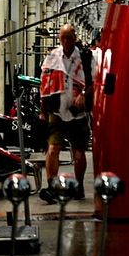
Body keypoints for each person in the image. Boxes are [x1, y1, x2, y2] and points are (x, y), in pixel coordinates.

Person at [38, 24, 89, 204]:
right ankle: (52, 186)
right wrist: (42, 110)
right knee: (53, 148)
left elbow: (95, 82)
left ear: (75, 37)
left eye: (69, 37)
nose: (66, 41)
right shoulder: (52, 57)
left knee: (78, 152)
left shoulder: (85, 57)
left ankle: (79, 185)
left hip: (77, 114)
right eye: (63, 38)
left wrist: (84, 95)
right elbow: (44, 86)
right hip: (57, 111)